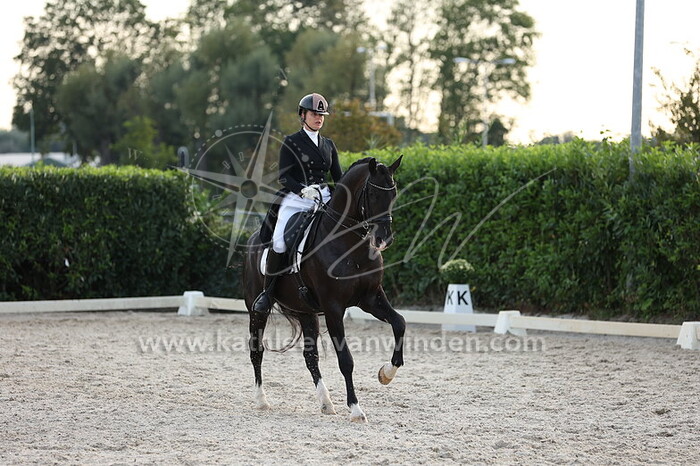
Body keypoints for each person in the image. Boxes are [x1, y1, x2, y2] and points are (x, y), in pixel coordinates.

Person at [252, 92, 343, 313]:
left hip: (323, 197)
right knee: (279, 242)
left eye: (321, 115)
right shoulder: (292, 142)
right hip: (297, 198)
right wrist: (302, 190)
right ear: (303, 115)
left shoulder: (328, 145)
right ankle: (268, 293)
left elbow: (339, 178)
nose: (318, 118)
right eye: (314, 114)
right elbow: (284, 177)